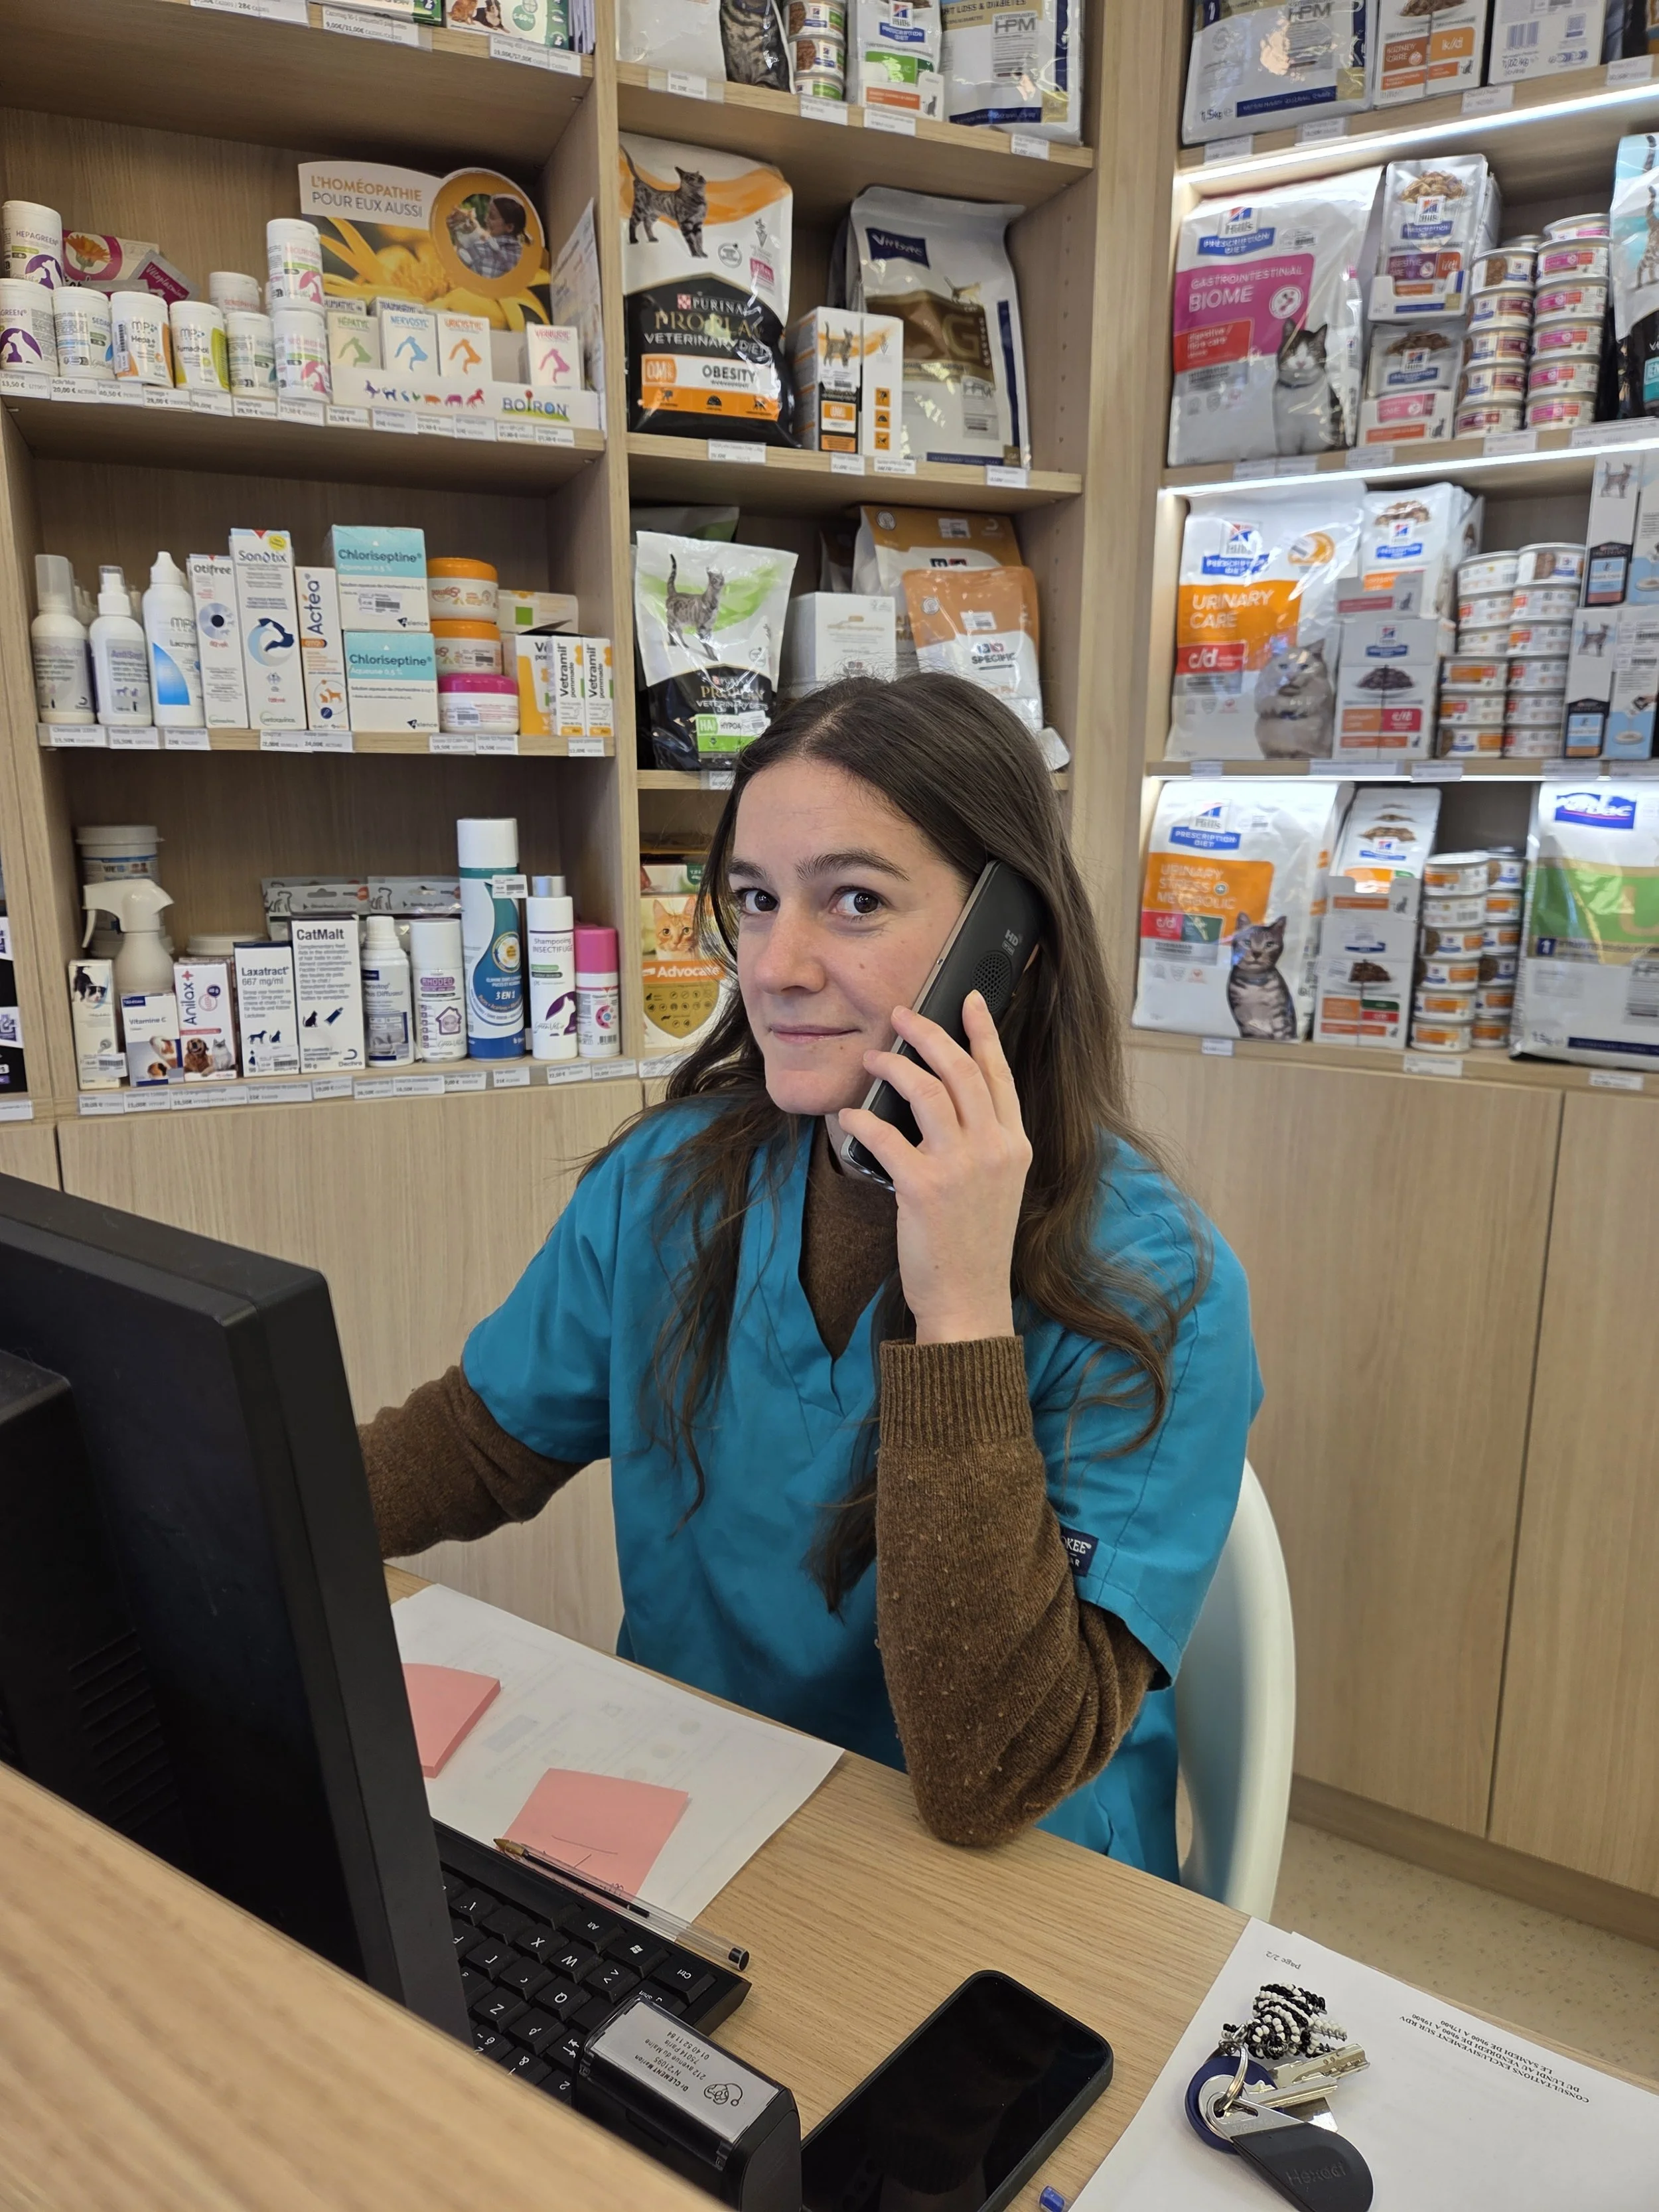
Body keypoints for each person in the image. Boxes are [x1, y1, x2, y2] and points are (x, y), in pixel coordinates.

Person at [362, 674, 1260, 1880]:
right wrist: (221, 1507)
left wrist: (961, 1316)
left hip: (1013, 1891)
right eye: (753, 898)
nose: (774, 965)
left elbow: (991, 1773)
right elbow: (474, 1448)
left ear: (1011, 936)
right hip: (698, 1816)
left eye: (852, 900)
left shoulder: (1157, 1285)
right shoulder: (668, 1182)